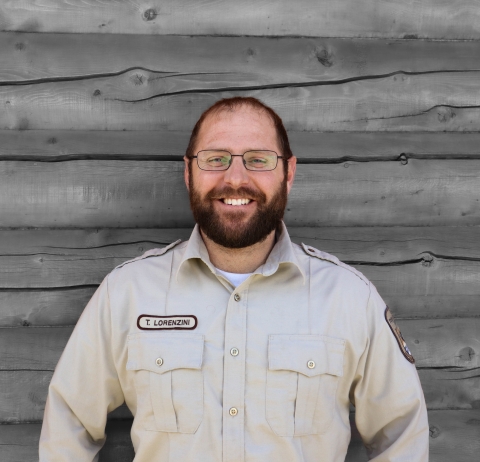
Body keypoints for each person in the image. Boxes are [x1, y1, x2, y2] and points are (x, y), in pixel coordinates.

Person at [39, 97, 429, 461]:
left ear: (288, 173)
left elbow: (402, 435)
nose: (236, 178)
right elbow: (67, 422)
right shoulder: (127, 293)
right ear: (188, 172)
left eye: (259, 159)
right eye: (215, 159)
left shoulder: (349, 299)